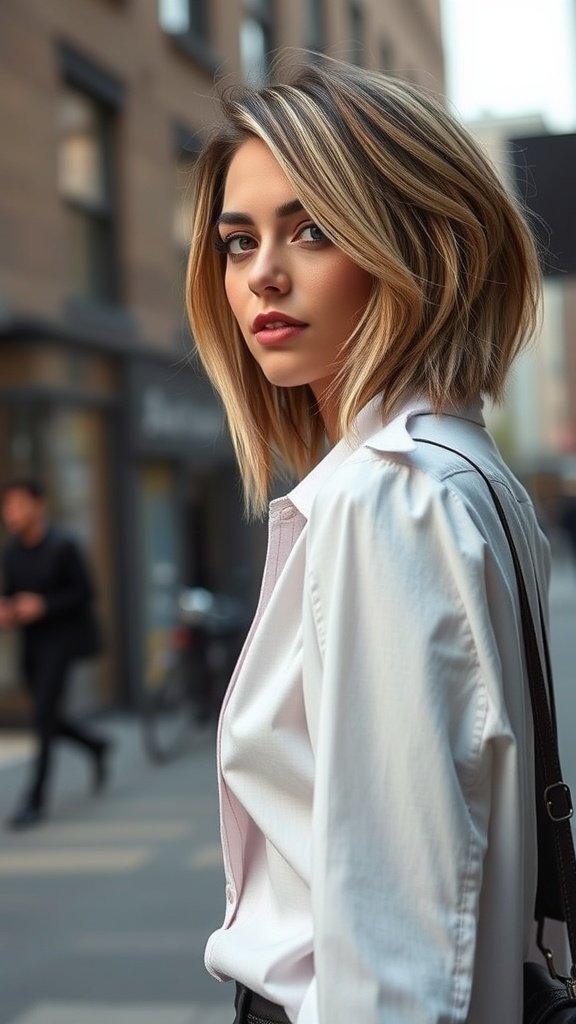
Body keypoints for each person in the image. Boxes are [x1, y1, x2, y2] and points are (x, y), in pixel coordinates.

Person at [186, 56, 548, 1023]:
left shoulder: (388, 497)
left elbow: (397, 942)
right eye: (238, 241)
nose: (262, 273)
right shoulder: (464, 470)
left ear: (420, 243)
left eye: (312, 229)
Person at [0, 478, 112, 830]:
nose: (11, 513)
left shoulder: (63, 546)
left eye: (18, 504)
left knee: (43, 719)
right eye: (7, 506)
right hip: (31, 642)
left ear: (39, 506)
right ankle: (95, 745)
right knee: (45, 716)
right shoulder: (11, 552)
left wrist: (44, 605)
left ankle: (34, 800)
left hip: (62, 641)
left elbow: (85, 593)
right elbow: (12, 595)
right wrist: (8, 610)